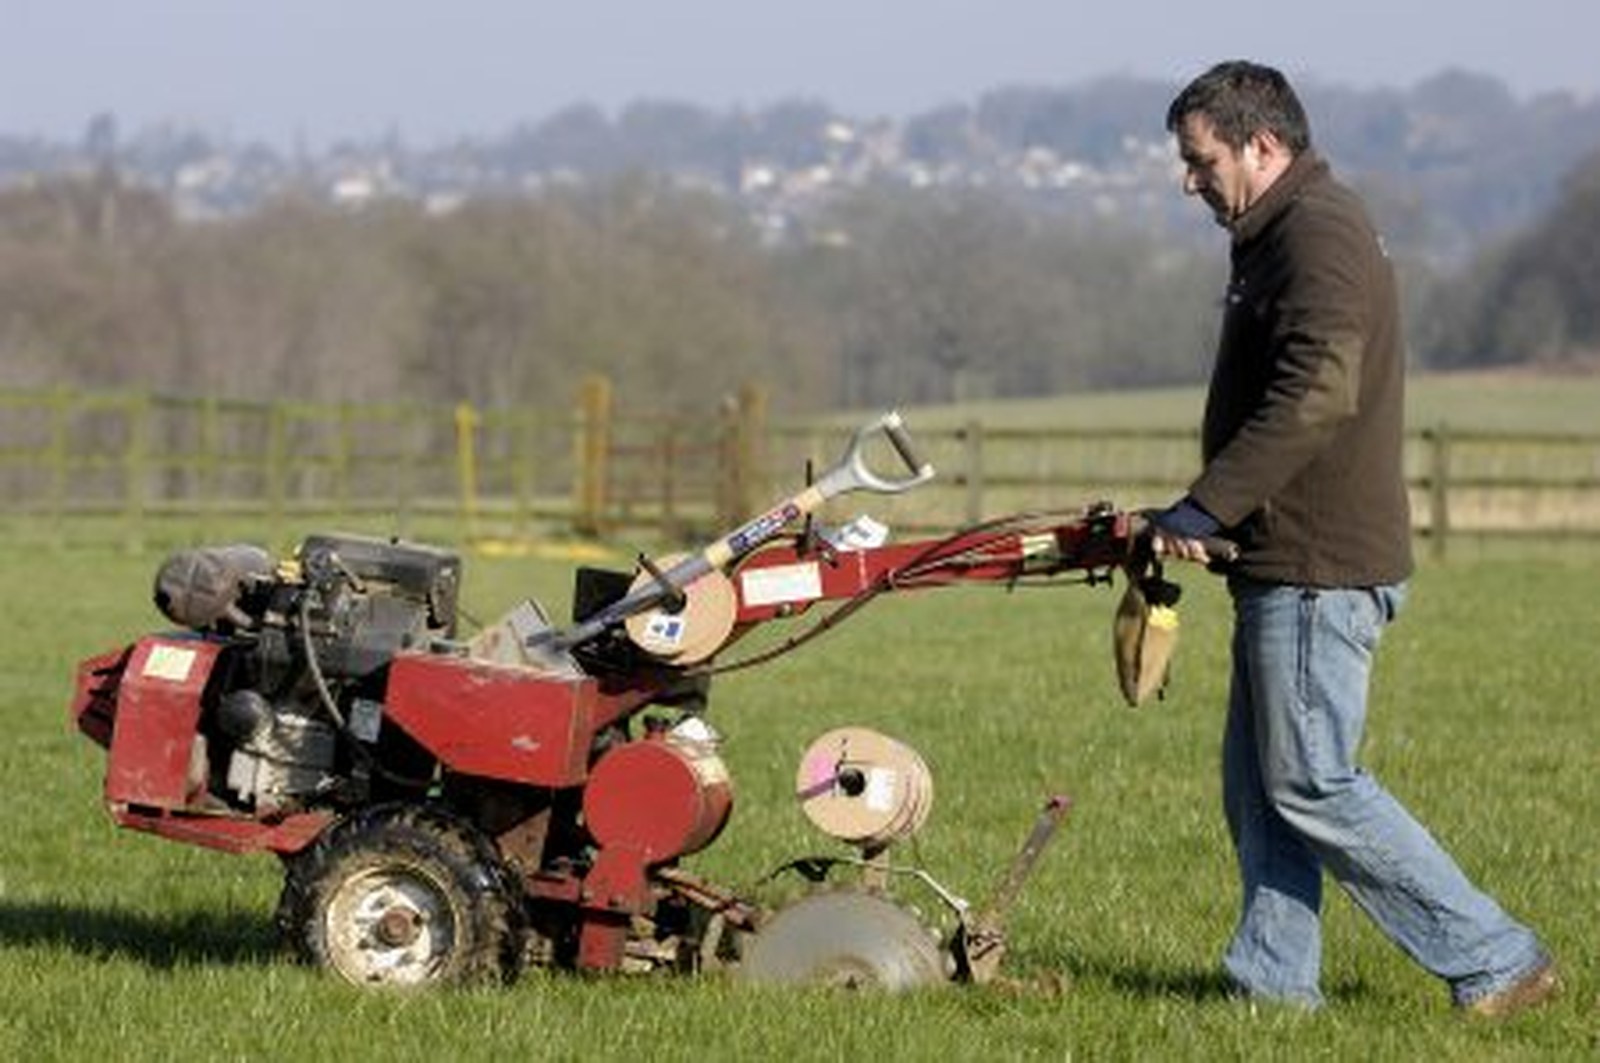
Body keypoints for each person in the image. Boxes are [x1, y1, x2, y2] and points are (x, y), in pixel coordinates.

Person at [1148, 59, 1558, 1017]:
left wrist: (1209, 505)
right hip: (1283, 555)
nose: (1188, 179)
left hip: (1317, 566)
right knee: (1261, 790)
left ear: (1262, 143)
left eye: (1199, 159)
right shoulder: (1279, 231)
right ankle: (1274, 985)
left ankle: (1497, 956)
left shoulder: (1317, 234)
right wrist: (1212, 516)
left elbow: (1319, 394)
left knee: (1312, 783)